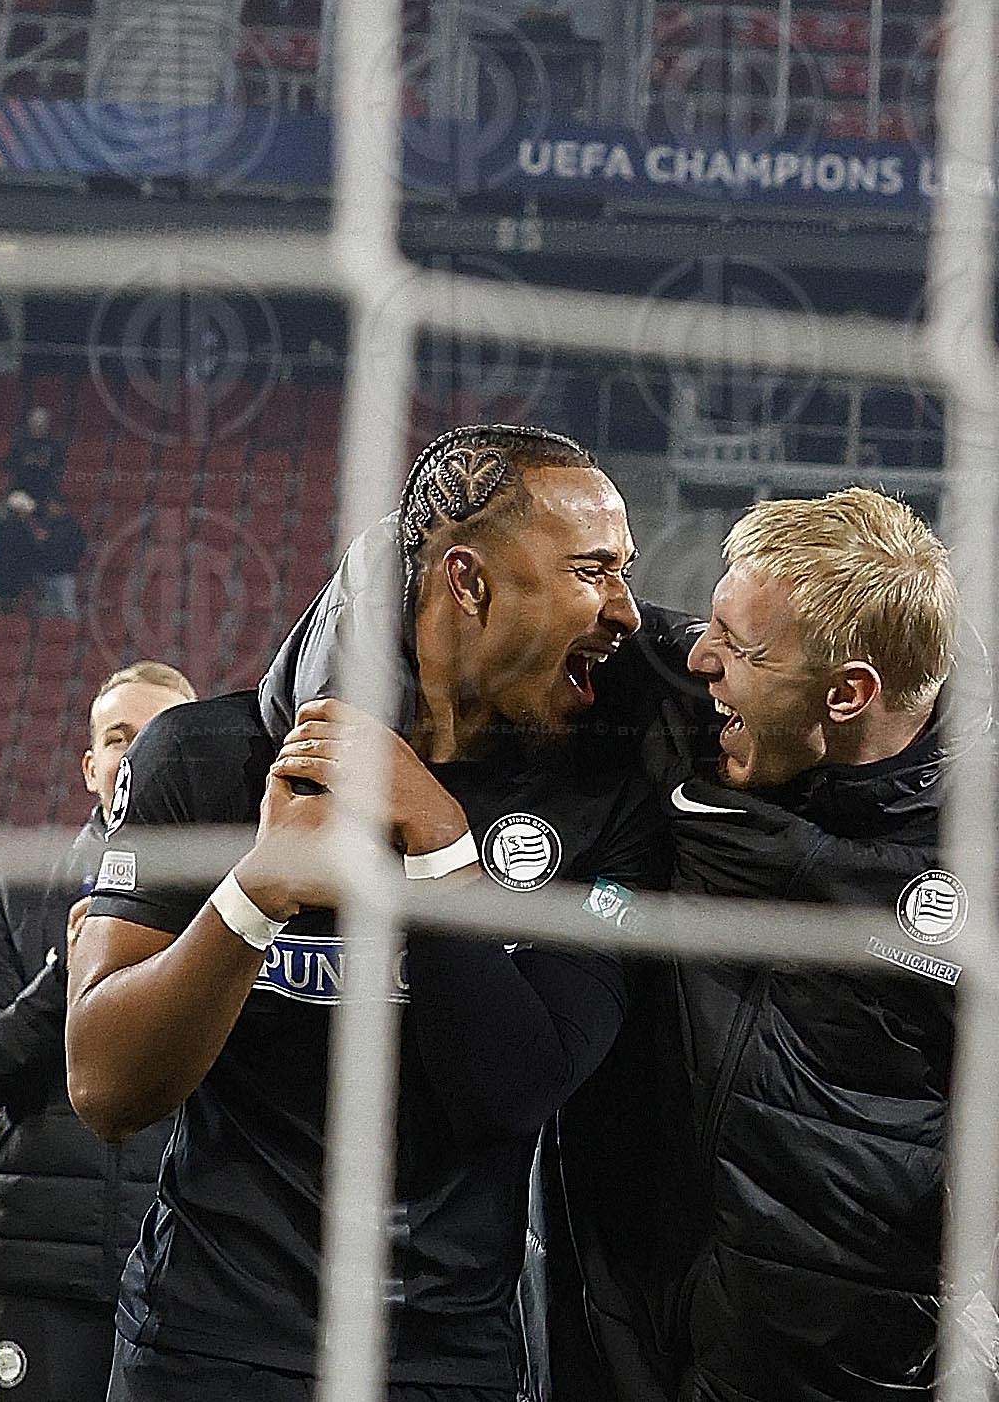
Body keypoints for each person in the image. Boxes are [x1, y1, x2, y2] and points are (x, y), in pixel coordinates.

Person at [539, 486, 999, 1402]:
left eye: (739, 646)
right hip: (612, 1351)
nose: (699, 656)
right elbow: (440, 597)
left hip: (852, 1373)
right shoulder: (688, 701)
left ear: (850, 693)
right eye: (714, 621)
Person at [67, 422, 667, 1402]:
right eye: (593, 568)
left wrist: (439, 845)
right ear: (467, 582)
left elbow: (514, 1090)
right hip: (211, 1345)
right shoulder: (205, 756)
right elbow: (105, 1085)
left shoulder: (603, 802)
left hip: (446, 1358)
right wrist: (255, 890)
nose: (627, 610)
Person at [0, 661, 195, 1402]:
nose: (135, 754)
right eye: (119, 737)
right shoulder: (21, 895)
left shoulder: (237, 904)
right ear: (91, 765)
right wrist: (67, 973)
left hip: (189, 1269)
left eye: (157, 736)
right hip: (45, 1267)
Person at [33, 496, 86, 622]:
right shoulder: (45, 524)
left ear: (61, 507)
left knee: (68, 608)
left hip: (65, 574)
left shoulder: (72, 526)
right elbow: (38, 547)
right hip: (47, 573)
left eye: (53, 505)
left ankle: (73, 636)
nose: (51, 508)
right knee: (49, 611)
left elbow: (78, 548)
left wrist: (67, 562)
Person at [0, 492, 41, 606]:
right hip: (13, 573)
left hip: (3, 571)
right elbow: (29, 549)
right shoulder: (20, 527)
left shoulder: (1, 524)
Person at [4, 409, 62, 511]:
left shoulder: (53, 446)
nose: (38, 427)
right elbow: (9, 464)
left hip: (44, 491)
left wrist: (43, 463)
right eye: (35, 423)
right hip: (21, 489)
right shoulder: (20, 443)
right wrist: (25, 462)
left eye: (41, 424)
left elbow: (58, 467)